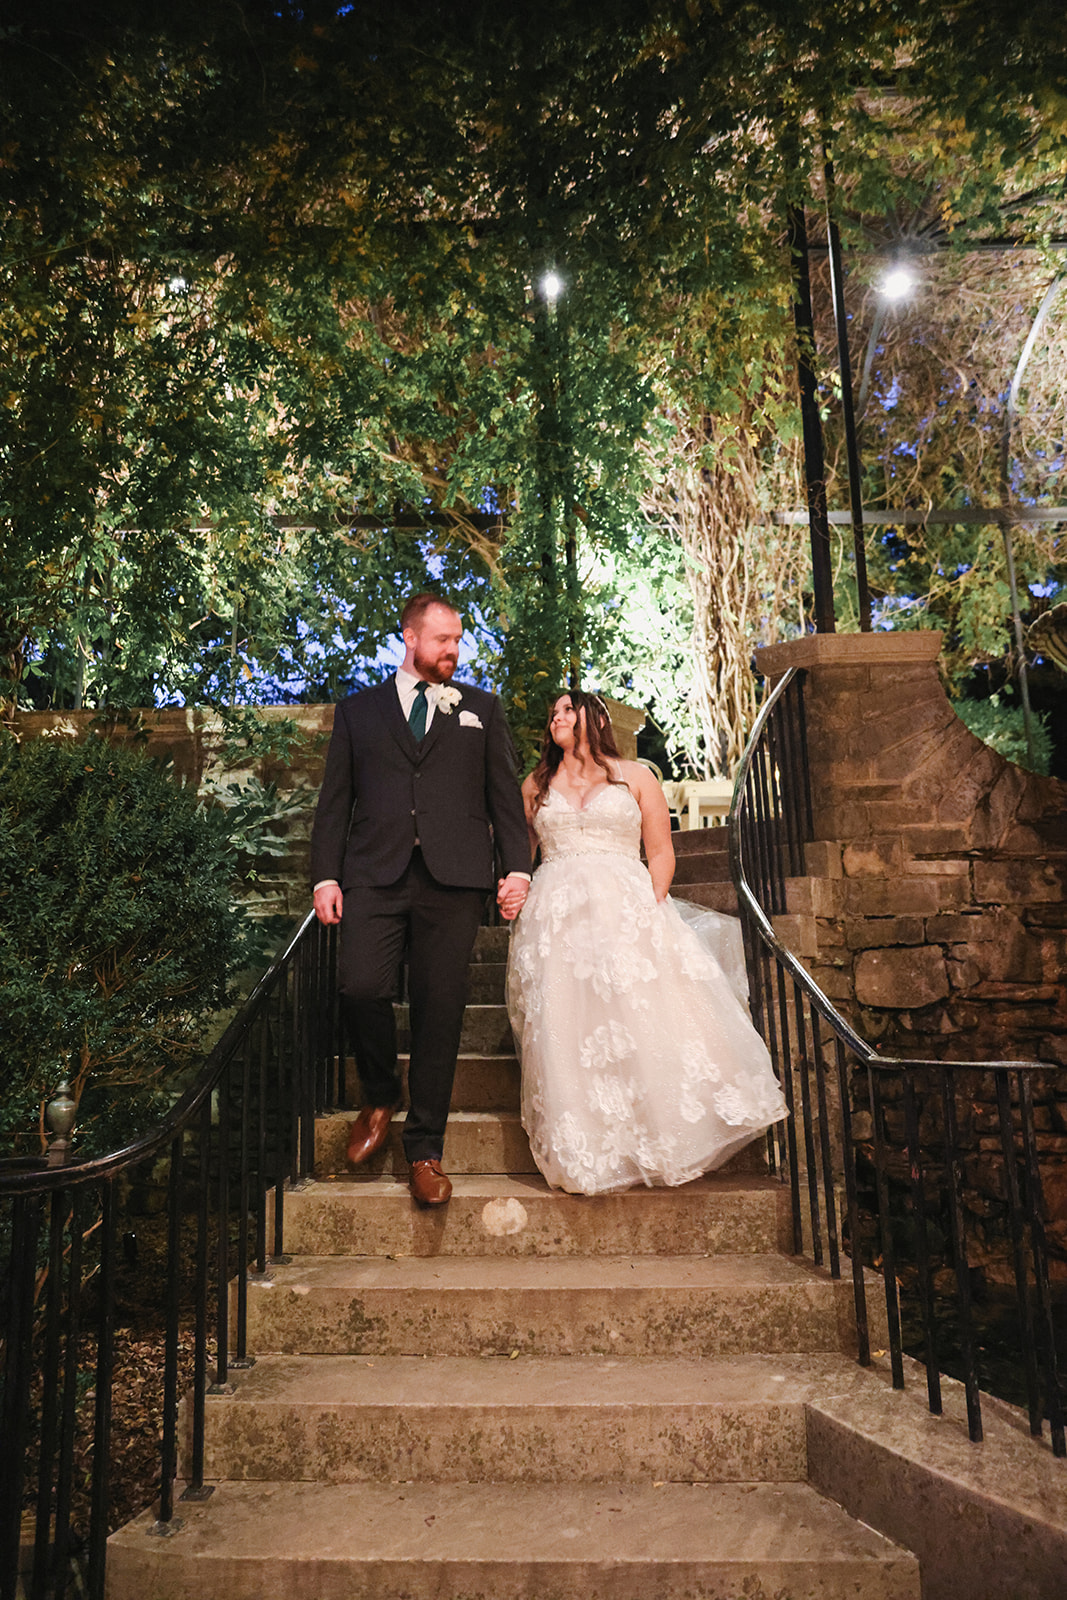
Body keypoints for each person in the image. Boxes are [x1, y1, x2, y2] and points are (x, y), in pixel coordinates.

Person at [506, 690, 788, 1195]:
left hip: (625, 908)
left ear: (596, 718)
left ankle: (658, 1132)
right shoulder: (535, 785)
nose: (558, 719)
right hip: (557, 919)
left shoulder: (636, 777)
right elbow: (519, 856)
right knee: (567, 1024)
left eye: (568, 710)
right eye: (553, 714)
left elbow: (660, 853)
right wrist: (514, 888)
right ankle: (585, 1146)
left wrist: (649, 911)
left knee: (636, 1016)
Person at [310, 593, 531, 1207]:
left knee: (441, 1012)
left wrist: (518, 868)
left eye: (458, 641)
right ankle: (380, 1093)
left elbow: (503, 798)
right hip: (373, 875)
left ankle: (425, 1150)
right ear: (409, 637)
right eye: (442, 641)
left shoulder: (480, 710)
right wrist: (325, 877)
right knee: (360, 986)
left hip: (454, 880)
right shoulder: (358, 713)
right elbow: (335, 802)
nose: (453, 652)